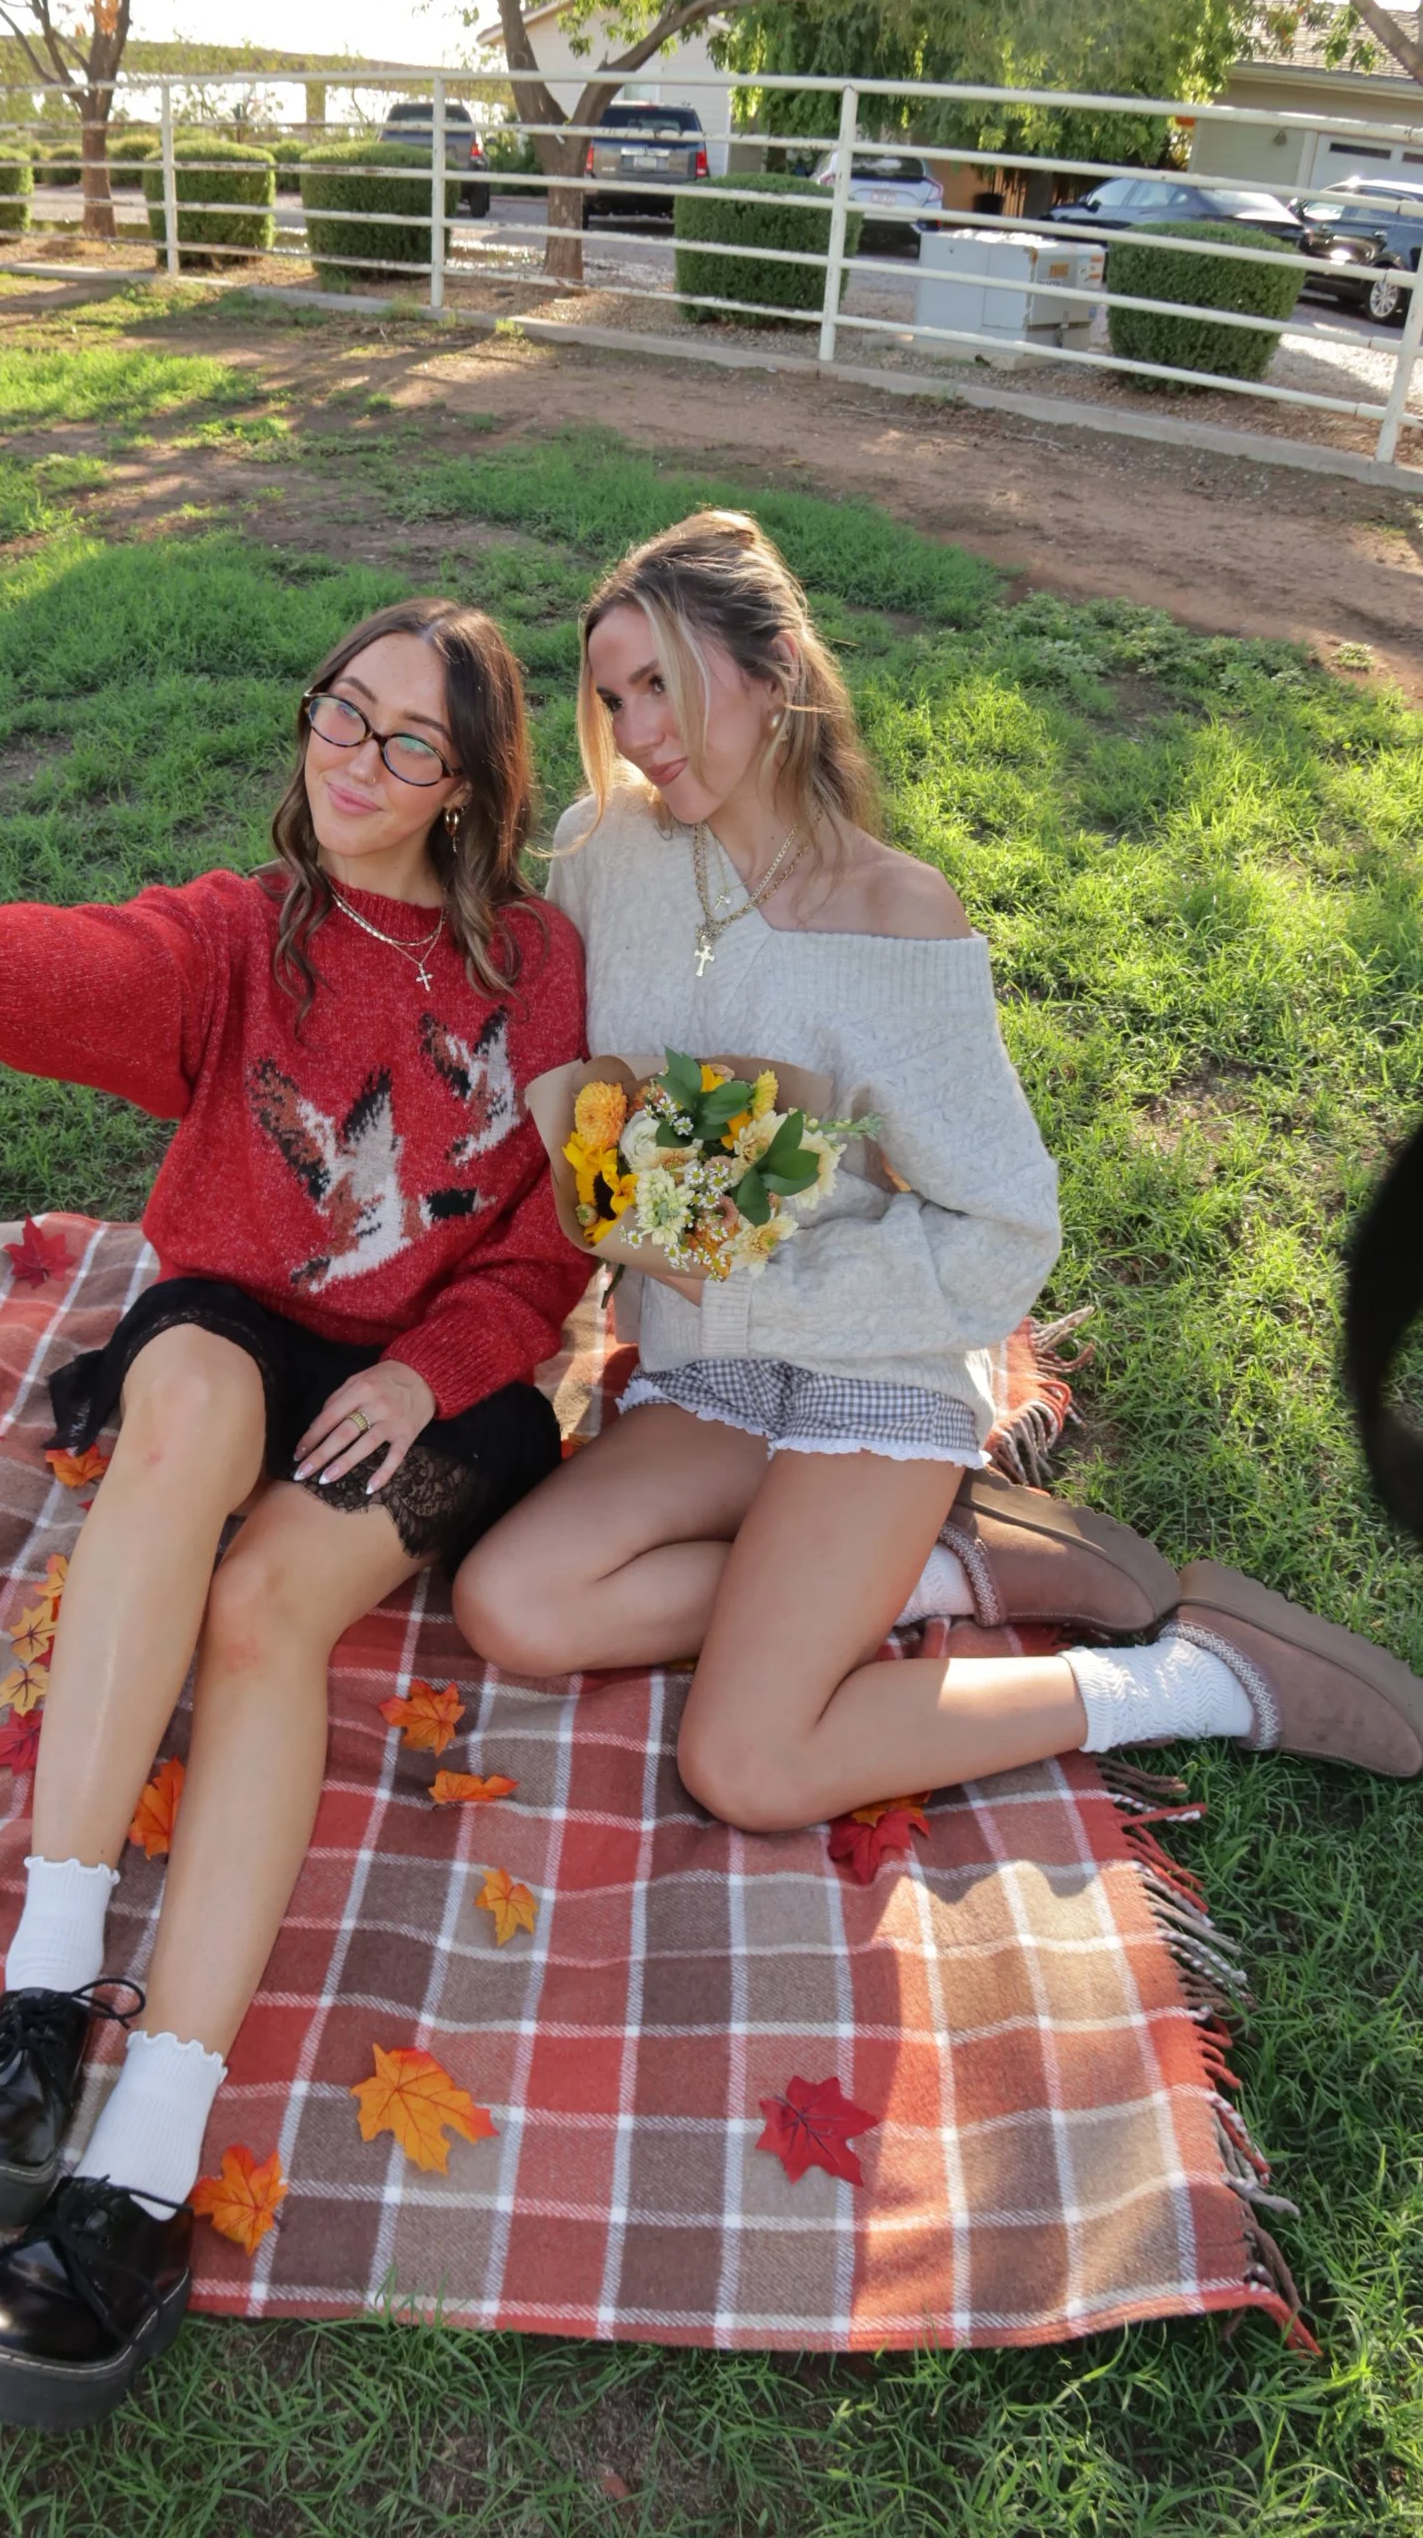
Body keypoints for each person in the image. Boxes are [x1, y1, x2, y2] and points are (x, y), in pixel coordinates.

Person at [0, 598, 589, 2431]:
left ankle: (143, 2169)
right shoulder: (247, 930)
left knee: (264, 1615)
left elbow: (550, 1255)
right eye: (336, 714)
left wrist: (433, 1371)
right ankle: (46, 2003)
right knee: (185, 1387)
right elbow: (81, 966)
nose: (348, 763)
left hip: (447, 1381)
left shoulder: (544, 971)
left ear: (470, 794)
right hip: (244, 1325)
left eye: (404, 746)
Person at [454, 510, 1423, 1828]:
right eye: (614, 695)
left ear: (775, 671)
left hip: (875, 1364)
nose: (634, 731)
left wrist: (782, 1274)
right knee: (509, 1603)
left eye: (662, 688)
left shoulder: (899, 918)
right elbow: (555, 1072)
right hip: (705, 1365)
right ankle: (941, 1563)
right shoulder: (601, 852)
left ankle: (1200, 1676)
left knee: (749, 1763)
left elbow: (1004, 1231)